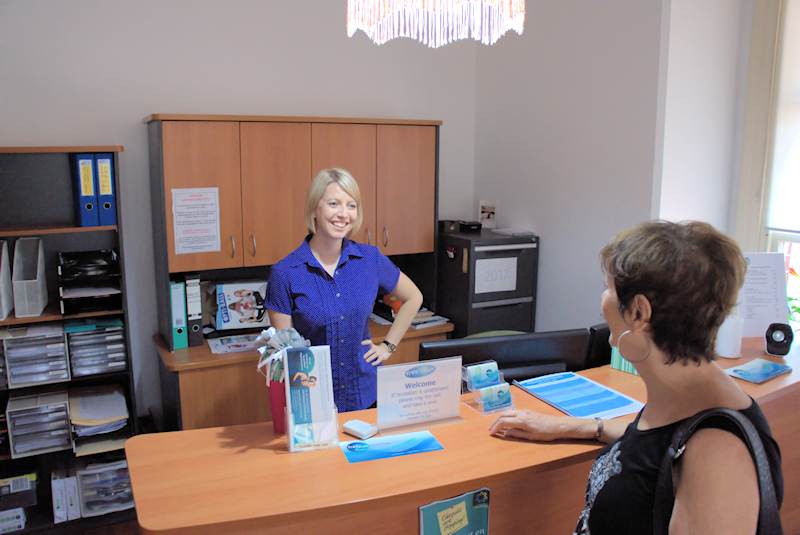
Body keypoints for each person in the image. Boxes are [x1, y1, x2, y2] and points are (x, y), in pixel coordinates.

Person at [488, 221, 783, 535]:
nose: (603, 297)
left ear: (640, 313)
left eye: (610, 288)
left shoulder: (720, 457)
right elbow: (657, 447)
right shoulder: (686, 391)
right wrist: (578, 427)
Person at [267, 168, 423, 412]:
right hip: (313, 401)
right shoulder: (285, 273)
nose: (343, 214)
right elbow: (288, 354)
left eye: (352, 205)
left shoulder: (370, 259)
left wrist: (388, 347)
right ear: (314, 209)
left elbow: (414, 297)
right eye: (333, 203)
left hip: (367, 395)